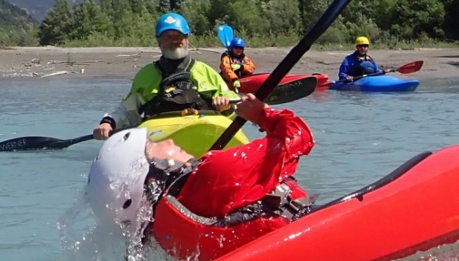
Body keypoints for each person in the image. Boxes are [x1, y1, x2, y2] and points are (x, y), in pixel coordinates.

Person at [86, 93, 313, 236]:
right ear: (154, 168)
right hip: (302, 231)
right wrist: (264, 115)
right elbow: (299, 136)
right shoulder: (215, 172)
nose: (169, 140)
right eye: (155, 144)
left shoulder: (161, 231)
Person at [93, 12, 238, 139]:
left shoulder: (206, 72)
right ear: (158, 40)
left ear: (187, 38)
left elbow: (233, 107)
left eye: (178, 36)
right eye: (167, 37)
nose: (174, 41)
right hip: (160, 139)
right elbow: (127, 110)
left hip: (203, 134)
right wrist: (108, 122)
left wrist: (226, 106)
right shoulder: (146, 75)